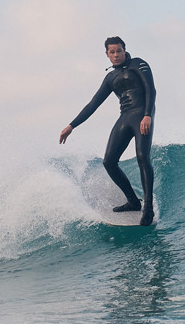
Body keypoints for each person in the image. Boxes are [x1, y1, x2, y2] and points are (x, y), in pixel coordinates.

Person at [60, 36, 157, 225]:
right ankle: (132, 201)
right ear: (107, 54)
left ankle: (148, 208)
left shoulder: (139, 64)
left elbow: (151, 90)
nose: (116, 55)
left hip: (142, 114)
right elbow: (92, 105)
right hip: (125, 116)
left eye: (119, 51)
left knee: (142, 156)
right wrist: (71, 125)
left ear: (124, 49)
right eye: (112, 52)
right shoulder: (110, 77)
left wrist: (147, 115)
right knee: (109, 161)